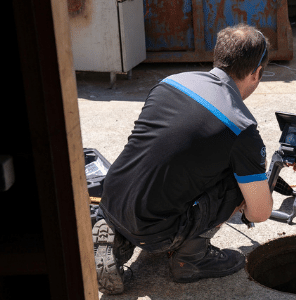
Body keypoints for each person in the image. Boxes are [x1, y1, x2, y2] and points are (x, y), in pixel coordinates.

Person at [92, 23, 273, 294]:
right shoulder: (241, 127)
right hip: (156, 232)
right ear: (257, 72)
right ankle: (191, 259)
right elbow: (260, 212)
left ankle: (118, 234)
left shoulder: (172, 82)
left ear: (218, 57)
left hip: (111, 198)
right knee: (239, 181)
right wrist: (244, 201)